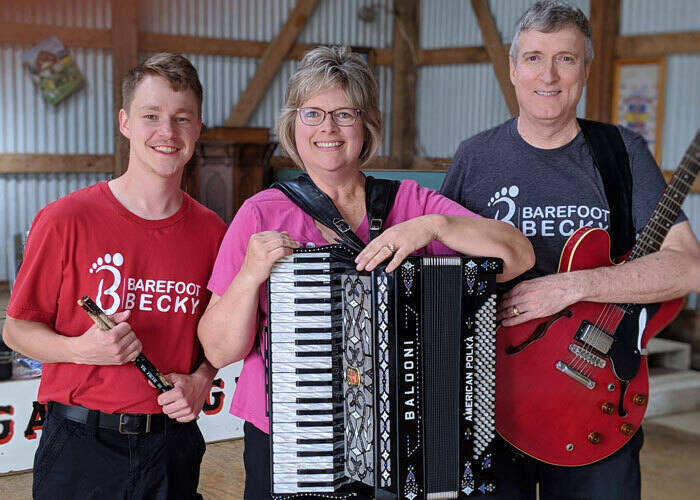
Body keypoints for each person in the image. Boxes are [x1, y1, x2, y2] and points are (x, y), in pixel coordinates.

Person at [197, 46, 534, 499]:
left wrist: (434, 226)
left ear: (367, 124)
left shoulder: (411, 203)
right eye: (312, 113)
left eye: (344, 114)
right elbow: (218, 350)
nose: (328, 129)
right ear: (294, 124)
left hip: (406, 432)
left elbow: (519, 256)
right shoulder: (261, 213)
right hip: (295, 434)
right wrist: (249, 276)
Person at [440, 2, 700, 499]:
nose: (549, 75)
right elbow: (441, 266)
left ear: (585, 68)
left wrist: (576, 284)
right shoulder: (475, 157)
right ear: (513, 69)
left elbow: (689, 266)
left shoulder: (621, 152)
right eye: (535, 57)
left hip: (594, 394)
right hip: (492, 395)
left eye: (566, 58)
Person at [2, 53, 227, 499]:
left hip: (172, 443)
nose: (167, 132)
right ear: (125, 122)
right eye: (151, 116)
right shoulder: (65, 219)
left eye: (182, 119)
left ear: (198, 130)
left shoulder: (213, 232)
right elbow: (16, 329)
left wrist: (202, 378)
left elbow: (218, 338)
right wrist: (80, 350)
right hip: (81, 443)